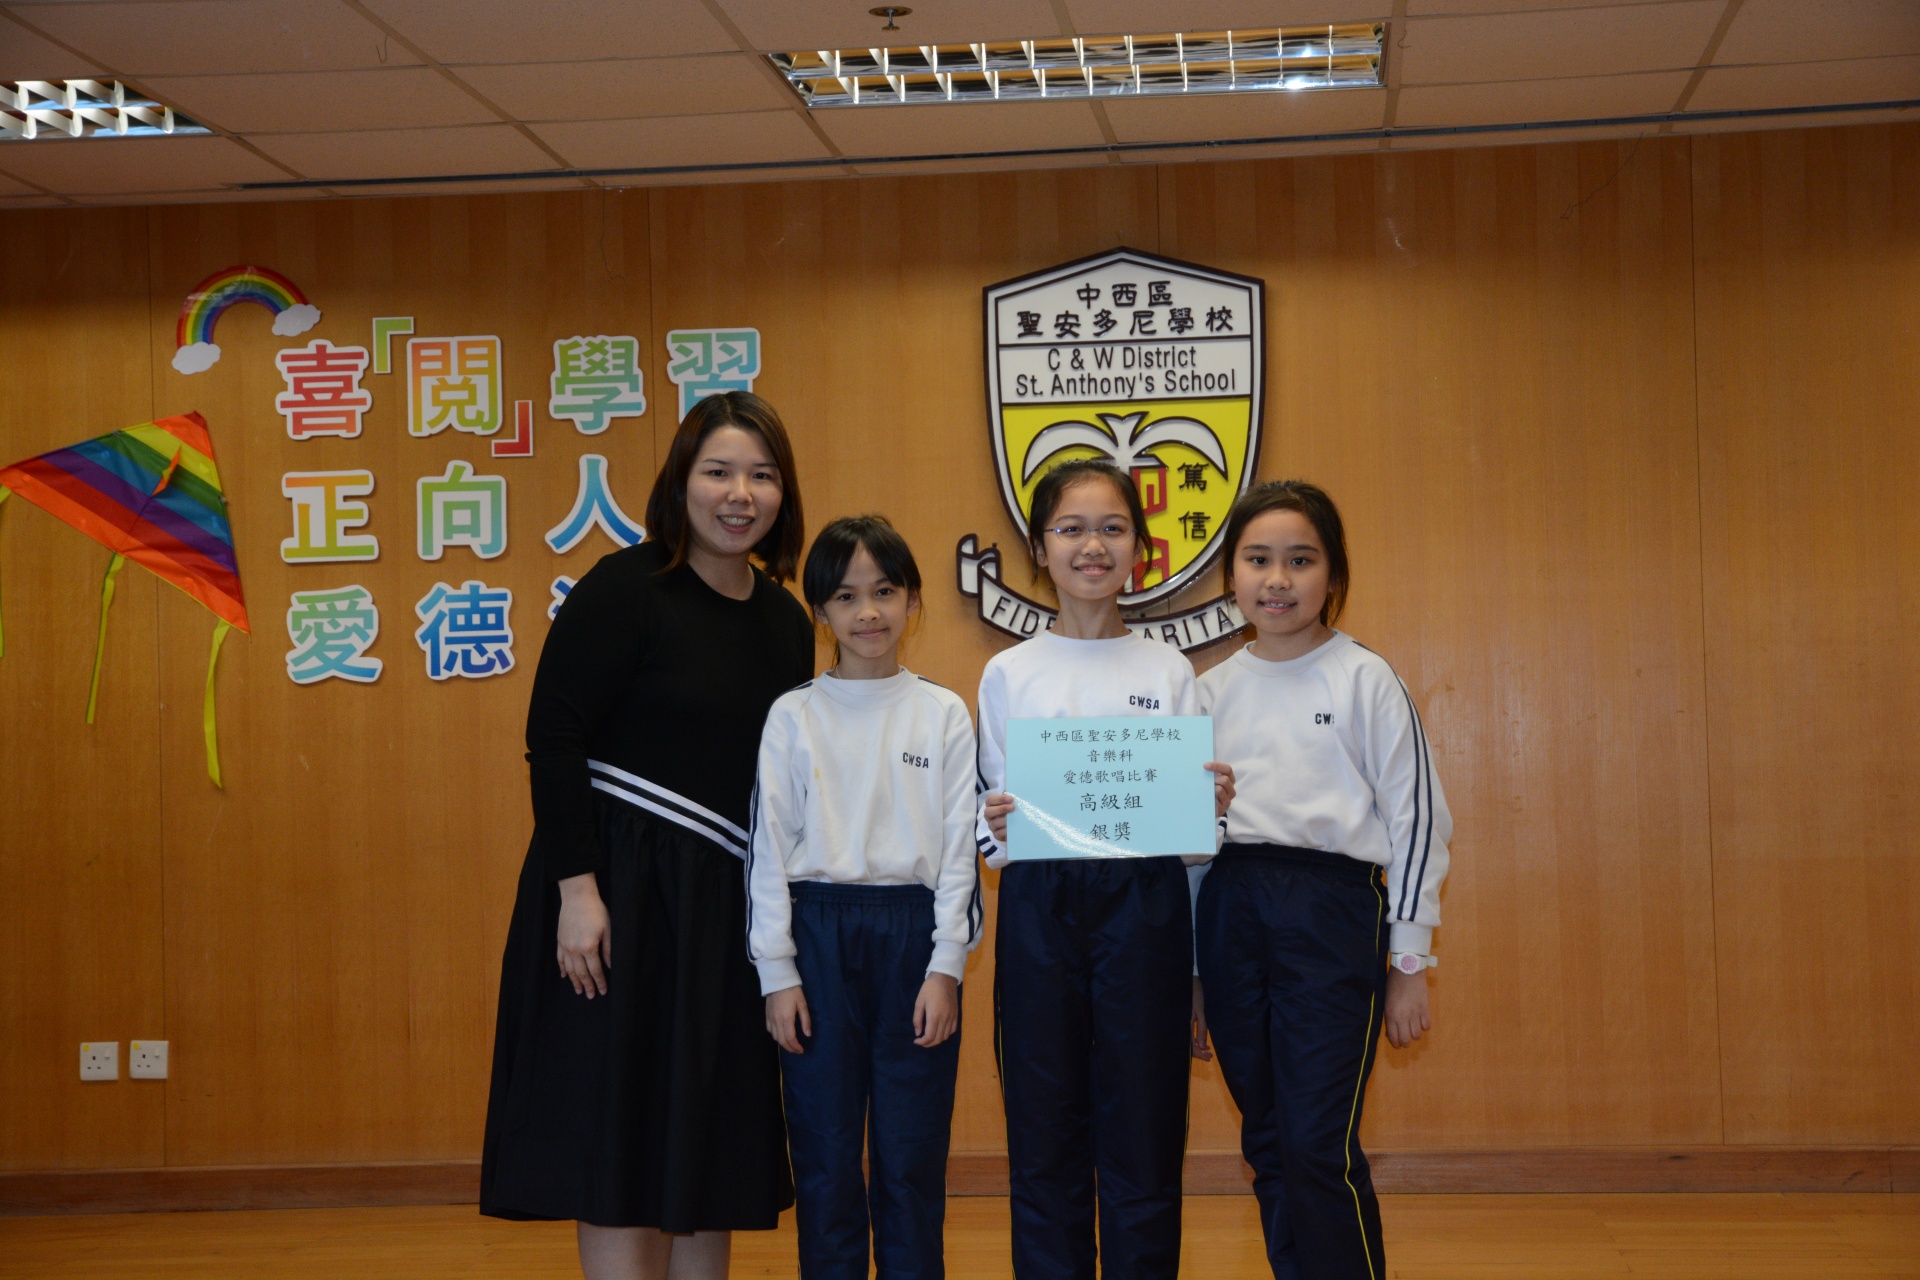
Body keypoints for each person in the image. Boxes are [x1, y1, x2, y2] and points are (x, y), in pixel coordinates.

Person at [480, 392, 813, 1280]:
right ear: (680, 482)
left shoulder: (786, 622)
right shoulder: (625, 588)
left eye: (761, 475)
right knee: (623, 1139)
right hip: (618, 900)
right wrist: (576, 890)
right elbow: (554, 739)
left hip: (722, 909)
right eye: (718, 472)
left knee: (706, 1139)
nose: (739, 494)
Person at [977, 458, 1234, 1280]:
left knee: (1145, 1129)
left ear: (1139, 549)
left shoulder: (1169, 670)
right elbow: (991, 825)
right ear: (1039, 548)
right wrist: (994, 826)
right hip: (1040, 907)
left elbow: (1193, 843)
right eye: (1071, 529)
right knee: (1043, 1128)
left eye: (1113, 528)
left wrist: (1210, 807)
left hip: (1145, 906)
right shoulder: (1008, 672)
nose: (1093, 546)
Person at [1190, 479, 1452, 1280]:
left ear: (1332, 573)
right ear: (1230, 575)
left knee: (1318, 1142)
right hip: (1232, 909)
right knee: (1269, 1140)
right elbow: (1188, 847)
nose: (1277, 580)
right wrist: (1194, 972)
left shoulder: (1364, 678)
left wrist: (1408, 961)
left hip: (1333, 910)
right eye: (1257, 560)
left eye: (1300, 561)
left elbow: (1418, 822)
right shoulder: (1206, 693)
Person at [749, 514, 982, 1280]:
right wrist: (777, 973)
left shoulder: (943, 712)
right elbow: (768, 850)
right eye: (847, 597)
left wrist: (946, 966)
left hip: (914, 938)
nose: (869, 612)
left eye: (885, 591)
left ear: (913, 599)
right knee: (824, 1157)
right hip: (815, 936)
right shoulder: (793, 715)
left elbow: (959, 852)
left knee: (911, 1159)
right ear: (820, 610)